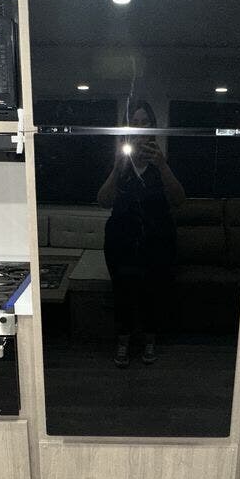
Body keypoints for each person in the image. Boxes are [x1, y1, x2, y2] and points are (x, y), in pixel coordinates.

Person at [97, 100, 186, 367]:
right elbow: (103, 201)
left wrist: (163, 165)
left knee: (154, 293)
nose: (139, 128)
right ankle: (123, 341)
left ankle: (150, 340)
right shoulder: (119, 162)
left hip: (158, 241)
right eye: (134, 123)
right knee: (122, 292)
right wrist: (117, 167)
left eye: (144, 122)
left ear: (152, 128)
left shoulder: (162, 161)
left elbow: (179, 200)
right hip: (121, 242)